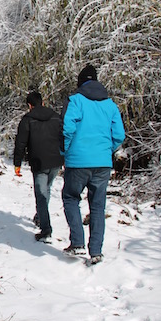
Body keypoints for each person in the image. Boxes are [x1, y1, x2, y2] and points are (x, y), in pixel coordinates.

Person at [61, 64, 125, 265]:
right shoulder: (111, 105)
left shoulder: (75, 101)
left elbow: (68, 129)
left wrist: (66, 151)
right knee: (97, 206)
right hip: (102, 164)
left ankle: (77, 243)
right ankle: (96, 251)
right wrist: (106, 151)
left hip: (78, 162)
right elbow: (119, 136)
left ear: (80, 82)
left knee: (71, 198)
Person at [13, 91, 64, 242]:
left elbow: (20, 143)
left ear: (29, 105)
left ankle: (45, 228)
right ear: (43, 101)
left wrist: (17, 163)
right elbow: (63, 136)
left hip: (39, 162)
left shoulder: (27, 120)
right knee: (46, 189)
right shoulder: (56, 116)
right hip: (56, 161)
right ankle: (40, 217)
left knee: (41, 194)